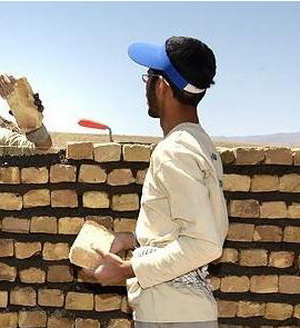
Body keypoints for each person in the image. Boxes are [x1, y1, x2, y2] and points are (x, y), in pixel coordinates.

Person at [88, 36, 228, 327]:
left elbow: (205, 244)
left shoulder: (174, 150)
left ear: (162, 86)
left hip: (171, 316)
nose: (146, 86)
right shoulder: (200, 145)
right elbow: (186, 229)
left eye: (148, 78)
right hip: (183, 313)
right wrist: (134, 240)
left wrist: (128, 269)